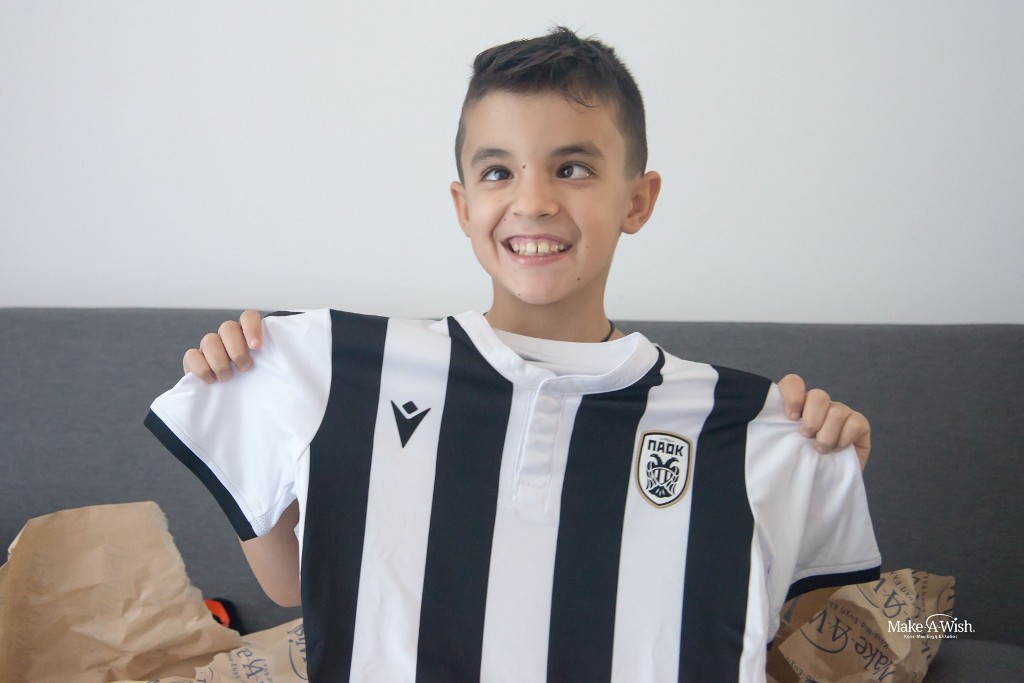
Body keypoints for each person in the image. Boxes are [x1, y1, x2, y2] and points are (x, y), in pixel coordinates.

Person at [147, 27, 879, 682]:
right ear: (463, 205)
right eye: (499, 172)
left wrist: (816, 471)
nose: (533, 202)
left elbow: (821, 638)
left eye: (573, 168)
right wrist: (244, 382)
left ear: (637, 200)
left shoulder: (742, 426)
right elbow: (292, 585)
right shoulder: (340, 370)